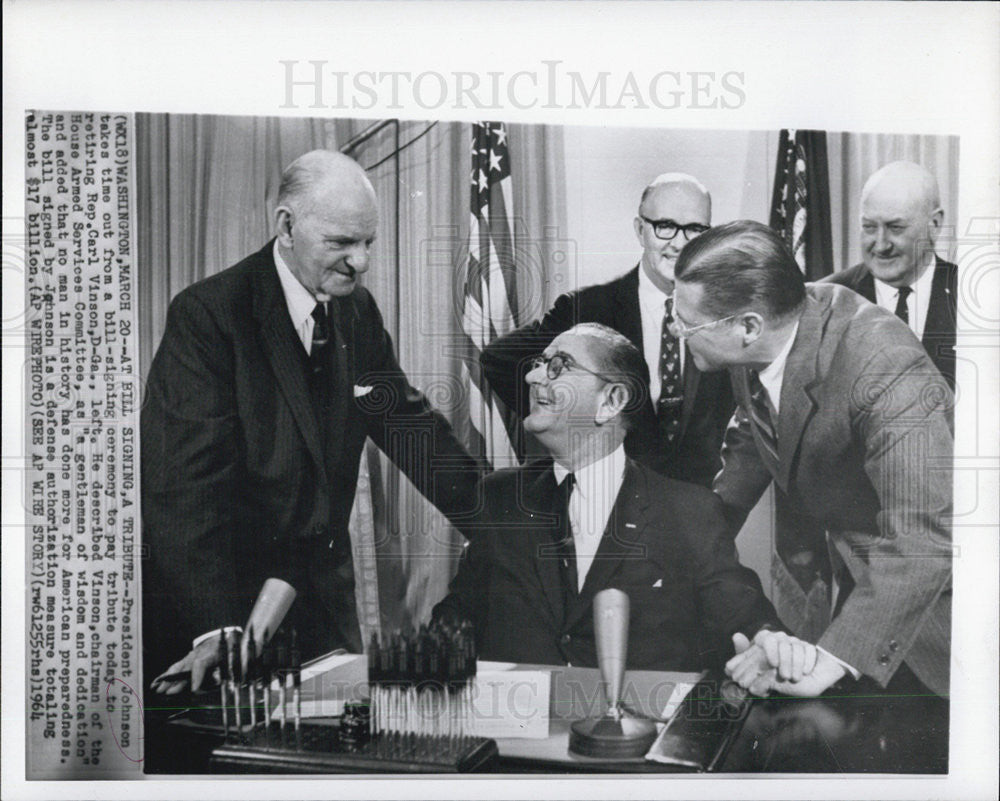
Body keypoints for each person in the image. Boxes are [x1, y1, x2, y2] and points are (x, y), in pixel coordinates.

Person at [142, 150, 487, 692]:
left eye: (368, 242)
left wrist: (504, 521)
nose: (362, 261)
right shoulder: (209, 316)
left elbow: (410, 428)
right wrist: (216, 626)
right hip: (223, 613)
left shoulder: (357, 311)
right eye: (342, 242)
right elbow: (182, 488)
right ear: (286, 226)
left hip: (318, 603)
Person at [670, 220, 953, 697]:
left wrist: (838, 656)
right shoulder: (770, 331)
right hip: (853, 585)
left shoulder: (885, 365)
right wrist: (693, 543)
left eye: (687, 323)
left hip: (933, 614)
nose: (677, 332)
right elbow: (755, 431)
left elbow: (924, 538)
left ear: (748, 327)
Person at [433, 323, 801, 674]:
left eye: (559, 365)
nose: (532, 377)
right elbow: (457, 617)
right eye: (539, 364)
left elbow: (745, 616)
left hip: (638, 734)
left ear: (611, 400)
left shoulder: (689, 511)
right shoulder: (500, 498)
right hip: (521, 730)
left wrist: (769, 641)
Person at [480, 174, 733, 488]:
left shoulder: (727, 313)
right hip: (609, 501)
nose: (680, 243)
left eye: (695, 229)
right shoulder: (589, 308)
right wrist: (567, 419)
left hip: (696, 512)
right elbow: (498, 360)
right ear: (640, 230)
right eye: (665, 226)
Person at [822, 160, 957, 390]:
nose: (881, 245)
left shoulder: (976, 296)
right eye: (869, 227)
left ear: (934, 225)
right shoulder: (826, 301)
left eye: (896, 228)